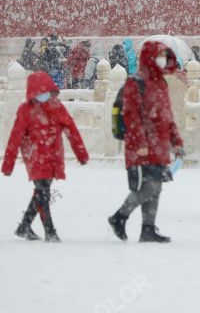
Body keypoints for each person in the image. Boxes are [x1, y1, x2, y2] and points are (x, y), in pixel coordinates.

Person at [107, 42, 185, 243]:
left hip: (160, 144)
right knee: (147, 188)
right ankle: (119, 217)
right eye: (159, 55)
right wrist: (139, 143)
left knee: (156, 187)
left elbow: (167, 116)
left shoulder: (161, 82)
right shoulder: (136, 82)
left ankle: (148, 228)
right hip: (141, 146)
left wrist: (176, 141)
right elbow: (131, 116)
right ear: (150, 57)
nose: (163, 60)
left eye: (165, 56)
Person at [2, 72, 89, 241]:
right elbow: (15, 137)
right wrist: (8, 164)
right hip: (34, 156)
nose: (44, 95)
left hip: (53, 156)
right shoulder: (26, 110)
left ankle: (24, 226)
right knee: (44, 192)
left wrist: (81, 154)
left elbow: (72, 130)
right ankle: (50, 231)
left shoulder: (57, 107)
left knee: (41, 192)